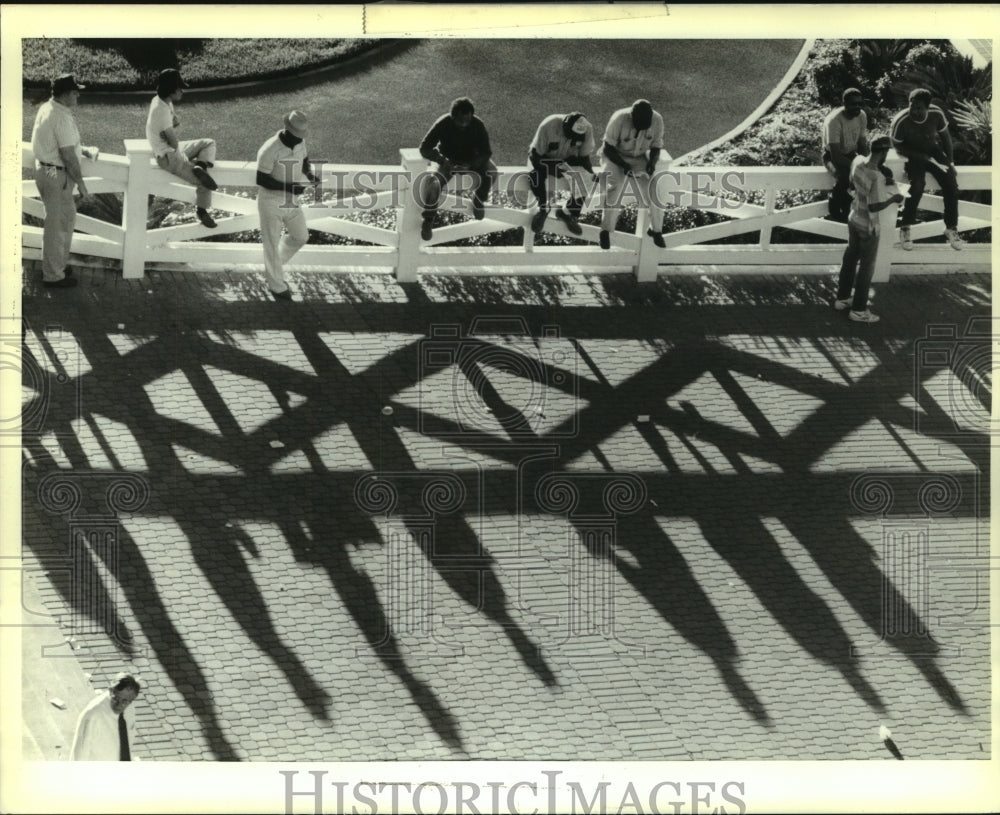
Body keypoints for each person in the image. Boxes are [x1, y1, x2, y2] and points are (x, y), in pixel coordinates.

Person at [29, 74, 98, 288]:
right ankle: (53, 275)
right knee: (58, 225)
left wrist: (82, 149)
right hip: (55, 174)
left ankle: (56, 265)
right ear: (66, 94)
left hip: (47, 170)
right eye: (75, 91)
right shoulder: (60, 117)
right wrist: (83, 185)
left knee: (61, 221)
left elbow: (61, 144)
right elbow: (68, 156)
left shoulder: (49, 108)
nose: (78, 94)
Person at [833, 135, 905, 324]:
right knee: (866, 268)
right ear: (883, 152)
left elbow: (852, 186)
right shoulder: (877, 176)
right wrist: (895, 198)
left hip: (853, 218)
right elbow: (875, 206)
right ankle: (858, 310)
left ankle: (842, 298)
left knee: (850, 258)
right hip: (869, 226)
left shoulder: (857, 162)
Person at [255, 110, 319, 301]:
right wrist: (290, 187)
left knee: (301, 236)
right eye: (297, 136)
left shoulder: (299, 142)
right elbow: (261, 179)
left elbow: (305, 160)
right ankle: (277, 286)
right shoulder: (269, 149)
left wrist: (308, 174)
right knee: (271, 244)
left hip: (290, 201)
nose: (300, 140)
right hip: (270, 202)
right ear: (287, 131)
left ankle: (273, 267)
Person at [890, 88, 964, 251]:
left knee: (951, 185)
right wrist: (918, 156)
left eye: (919, 108)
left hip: (933, 150)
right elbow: (897, 146)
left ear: (927, 107)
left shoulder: (936, 114)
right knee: (917, 185)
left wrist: (950, 162)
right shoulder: (900, 121)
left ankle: (951, 227)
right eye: (912, 106)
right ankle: (906, 227)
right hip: (912, 154)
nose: (914, 111)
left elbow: (946, 138)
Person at [145, 68, 218, 229]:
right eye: (179, 88)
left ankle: (201, 166)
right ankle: (202, 211)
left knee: (209, 142)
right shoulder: (161, 111)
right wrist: (170, 134)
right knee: (204, 184)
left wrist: (170, 129)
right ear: (171, 90)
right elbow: (174, 143)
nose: (182, 90)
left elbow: (174, 123)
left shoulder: (160, 100)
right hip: (170, 158)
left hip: (168, 150)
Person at [417, 97, 496, 240]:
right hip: (448, 160)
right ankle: (428, 220)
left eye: (468, 120)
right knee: (434, 184)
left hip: (471, 159)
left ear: (472, 116)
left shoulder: (478, 125)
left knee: (492, 171)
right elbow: (425, 148)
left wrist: (472, 164)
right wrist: (442, 160)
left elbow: (486, 152)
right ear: (452, 117)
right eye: (460, 121)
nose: (464, 124)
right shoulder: (443, 123)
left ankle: (479, 199)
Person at [599, 99, 670, 249]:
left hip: (639, 158)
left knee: (653, 190)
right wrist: (623, 165)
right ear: (632, 116)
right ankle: (605, 231)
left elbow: (656, 146)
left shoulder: (657, 120)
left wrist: (651, 163)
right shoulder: (619, 118)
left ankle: (656, 230)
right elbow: (607, 147)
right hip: (615, 156)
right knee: (616, 185)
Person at [526, 112, 598, 236]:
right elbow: (535, 156)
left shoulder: (588, 129)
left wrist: (590, 173)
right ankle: (543, 209)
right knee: (535, 175)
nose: (571, 138)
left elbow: (584, 157)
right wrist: (551, 169)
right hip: (543, 158)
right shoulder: (549, 124)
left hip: (567, 159)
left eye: (576, 137)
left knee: (585, 178)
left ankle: (568, 213)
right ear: (565, 126)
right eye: (570, 135)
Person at [822, 88, 871, 222]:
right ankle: (834, 213)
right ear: (844, 103)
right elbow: (836, 156)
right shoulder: (834, 120)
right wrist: (857, 166)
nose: (857, 107)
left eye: (860, 104)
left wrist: (866, 162)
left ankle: (850, 212)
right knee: (844, 177)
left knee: (866, 175)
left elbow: (862, 143)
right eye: (853, 104)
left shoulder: (861, 115)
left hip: (851, 154)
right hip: (831, 156)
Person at [70, 672, 142, 761]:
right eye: (116, 698)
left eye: (125, 701)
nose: (119, 705)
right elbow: (79, 754)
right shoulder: (92, 714)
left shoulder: (130, 708)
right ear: (111, 690)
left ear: (132, 699)